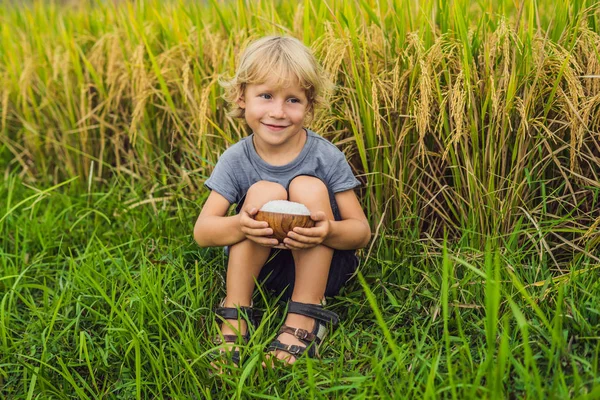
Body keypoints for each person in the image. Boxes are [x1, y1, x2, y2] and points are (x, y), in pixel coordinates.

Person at [193, 35, 371, 368]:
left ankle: (304, 317)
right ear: (241, 96)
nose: (278, 112)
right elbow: (203, 231)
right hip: (261, 270)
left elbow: (360, 231)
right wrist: (240, 224)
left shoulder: (325, 157)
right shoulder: (236, 159)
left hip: (323, 269)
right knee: (264, 193)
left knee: (308, 187)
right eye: (265, 95)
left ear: (310, 106)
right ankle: (235, 313)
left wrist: (326, 231)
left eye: (293, 100)